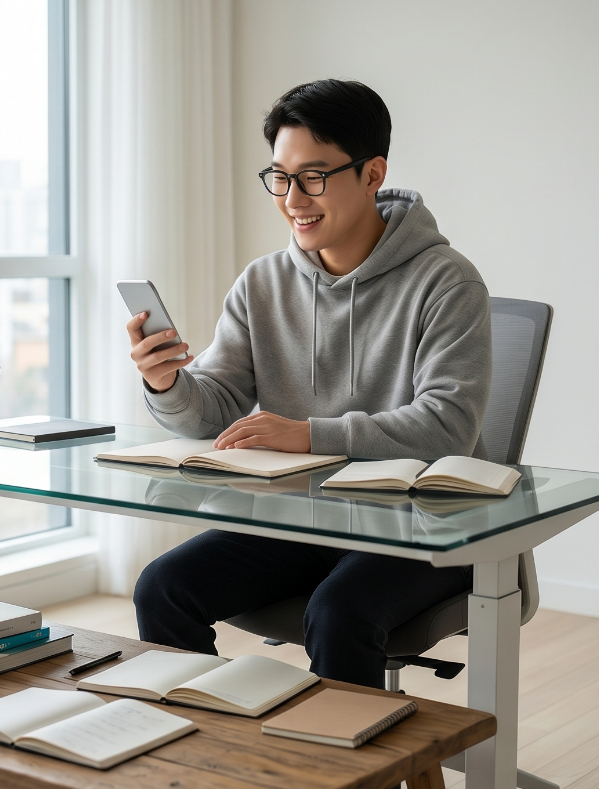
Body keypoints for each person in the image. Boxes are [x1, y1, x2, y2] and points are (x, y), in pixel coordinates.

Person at [125, 79, 492, 689]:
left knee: (340, 613)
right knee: (162, 588)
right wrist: (167, 385)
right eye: (280, 177)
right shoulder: (262, 282)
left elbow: (447, 427)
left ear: (372, 174)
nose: (293, 199)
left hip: (423, 527)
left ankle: (347, 751)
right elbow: (213, 412)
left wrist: (309, 434)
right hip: (303, 520)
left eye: (313, 177)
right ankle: (208, 744)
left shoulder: (447, 282)